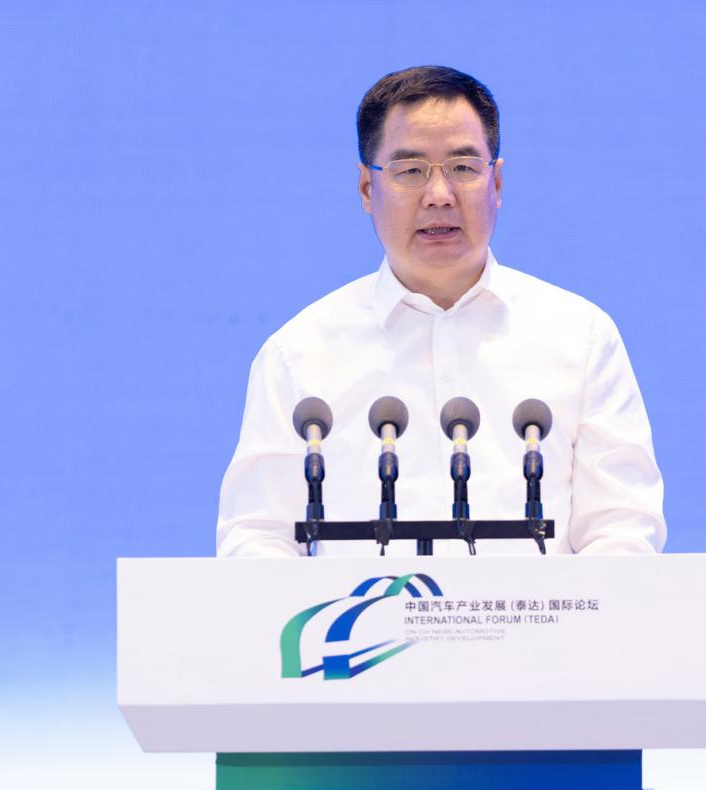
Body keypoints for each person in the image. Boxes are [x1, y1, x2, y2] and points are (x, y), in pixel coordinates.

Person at [217, 66, 664, 557]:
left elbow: (622, 530)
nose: (439, 196)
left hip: (535, 611)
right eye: (410, 171)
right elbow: (257, 537)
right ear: (366, 188)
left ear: (497, 182)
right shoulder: (298, 356)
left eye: (463, 168)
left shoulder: (581, 338)